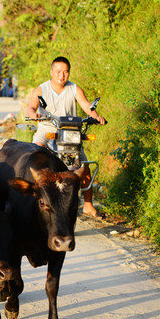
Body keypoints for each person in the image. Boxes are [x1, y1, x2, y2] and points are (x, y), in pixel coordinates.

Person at [25, 56, 106, 218]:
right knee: (36, 155)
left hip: (69, 131)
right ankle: (31, 202)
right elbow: (30, 107)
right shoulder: (42, 89)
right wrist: (33, 114)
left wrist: (96, 116)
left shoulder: (74, 89)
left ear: (69, 73)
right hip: (47, 129)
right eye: (58, 72)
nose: (62, 75)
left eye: (65, 72)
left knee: (84, 168)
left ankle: (88, 205)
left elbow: (86, 105)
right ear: (51, 72)